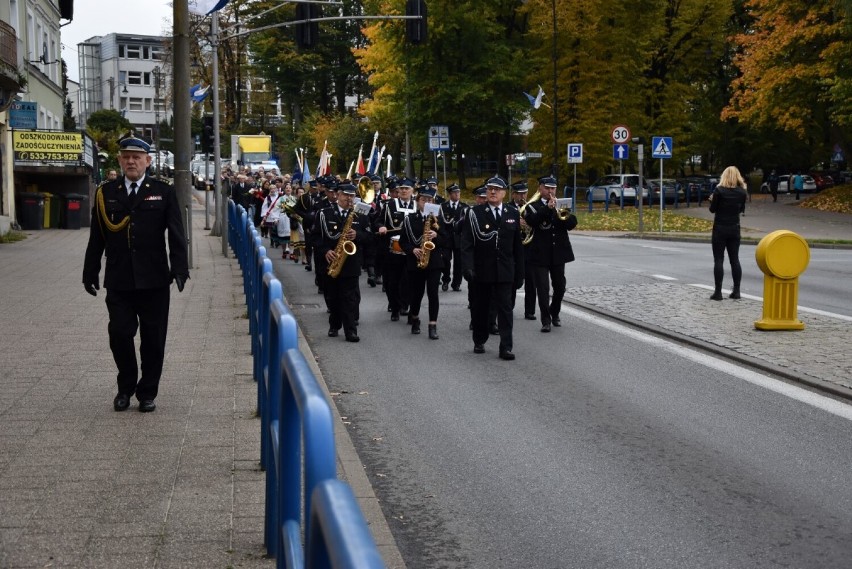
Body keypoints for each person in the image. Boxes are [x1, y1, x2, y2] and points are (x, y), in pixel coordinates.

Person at [82, 134, 189, 413]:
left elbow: (177, 233)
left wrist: (180, 268)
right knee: (119, 333)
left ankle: (147, 392)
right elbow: (98, 236)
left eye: (137, 157)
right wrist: (90, 270)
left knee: (153, 339)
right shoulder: (107, 192)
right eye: (126, 157)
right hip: (119, 278)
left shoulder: (162, 191)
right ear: (119, 160)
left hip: (154, 279)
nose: (131, 161)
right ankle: (125, 386)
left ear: (147, 161)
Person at [460, 175, 524, 360]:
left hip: (504, 271)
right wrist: (468, 267)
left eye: (497, 189)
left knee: (505, 309)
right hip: (482, 270)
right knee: (481, 308)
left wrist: (520, 273)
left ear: (504, 193)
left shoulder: (512, 213)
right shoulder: (475, 213)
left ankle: (506, 347)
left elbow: (517, 247)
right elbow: (467, 244)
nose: (493, 192)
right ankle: (479, 339)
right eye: (490, 189)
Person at [522, 175, 578, 332]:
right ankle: (546, 320)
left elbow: (571, 224)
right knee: (543, 289)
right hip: (540, 254)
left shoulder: (562, 204)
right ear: (540, 188)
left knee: (560, 287)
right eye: (547, 188)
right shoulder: (532, 206)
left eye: (553, 188)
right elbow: (532, 221)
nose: (550, 191)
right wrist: (547, 208)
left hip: (558, 253)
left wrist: (563, 213)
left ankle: (555, 312)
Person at [316, 182, 371, 342]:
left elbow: (370, 237)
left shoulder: (360, 213)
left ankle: (350, 331)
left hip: (351, 262)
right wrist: (325, 251)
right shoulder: (324, 213)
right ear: (337, 195)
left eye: (352, 196)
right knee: (333, 297)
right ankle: (334, 324)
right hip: (330, 260)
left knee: (349, 298)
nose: (349, 199)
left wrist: (357, 235)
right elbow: (315, 238)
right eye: (346, 195)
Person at [400, 186, 449, 339]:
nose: (427, 202)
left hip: (434, 262)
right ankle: (414, 318)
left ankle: (432, 325)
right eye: (423, 199)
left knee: (433, 293)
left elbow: (447, 241)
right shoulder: (409, 219)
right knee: (417, 294)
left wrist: (437, 235)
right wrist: (412, 250)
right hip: (416, 261)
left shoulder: (438, 219)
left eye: (430, 200)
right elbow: (403, 241)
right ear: (418, 201)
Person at [375, 177, 417, 321]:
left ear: (412, 191)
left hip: (411, 249)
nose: (404, 191)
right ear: (398, 190)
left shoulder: (417, 206)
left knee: (409, 279)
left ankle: (405, 305)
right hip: (393, 249)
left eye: (407, 188)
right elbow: (378, 220)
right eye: (402, 188)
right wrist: (381, 226)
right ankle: (394, 306)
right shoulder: (389, 205)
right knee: (393, 280)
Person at [708, 165, 748, 301]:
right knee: (734, 259)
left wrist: (711, 200)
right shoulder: (742, 192)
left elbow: (712, 210)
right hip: (734, 228)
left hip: (720, 227)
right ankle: (736, 291)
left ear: (724, 176)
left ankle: (718, 292)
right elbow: (741, 209)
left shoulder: (719, 191)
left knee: (719, 259)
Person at [509, 180, 537, 320]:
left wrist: (529, 221)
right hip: (513, 250)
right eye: (519, 194)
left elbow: (538, 222)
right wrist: (516, 221)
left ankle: (530, 311)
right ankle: (510, 307)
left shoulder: (531, 207)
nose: (522, 196)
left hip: (529, 249)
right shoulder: (507, 208)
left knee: (531, 282)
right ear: (513, 194)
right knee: (513, 280)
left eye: (524, 193)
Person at [439, 184, 468, 292]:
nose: (457, 194)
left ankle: (456, 283)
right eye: (455, 192)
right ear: (450, 194)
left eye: (458, 192)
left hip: (459, 238)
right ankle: (446, 279)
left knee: (459, 263)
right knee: (445, 260)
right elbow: (441, 223)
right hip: (447, 238)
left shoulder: (464, 207)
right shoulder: (443, 206)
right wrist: (443, 235)